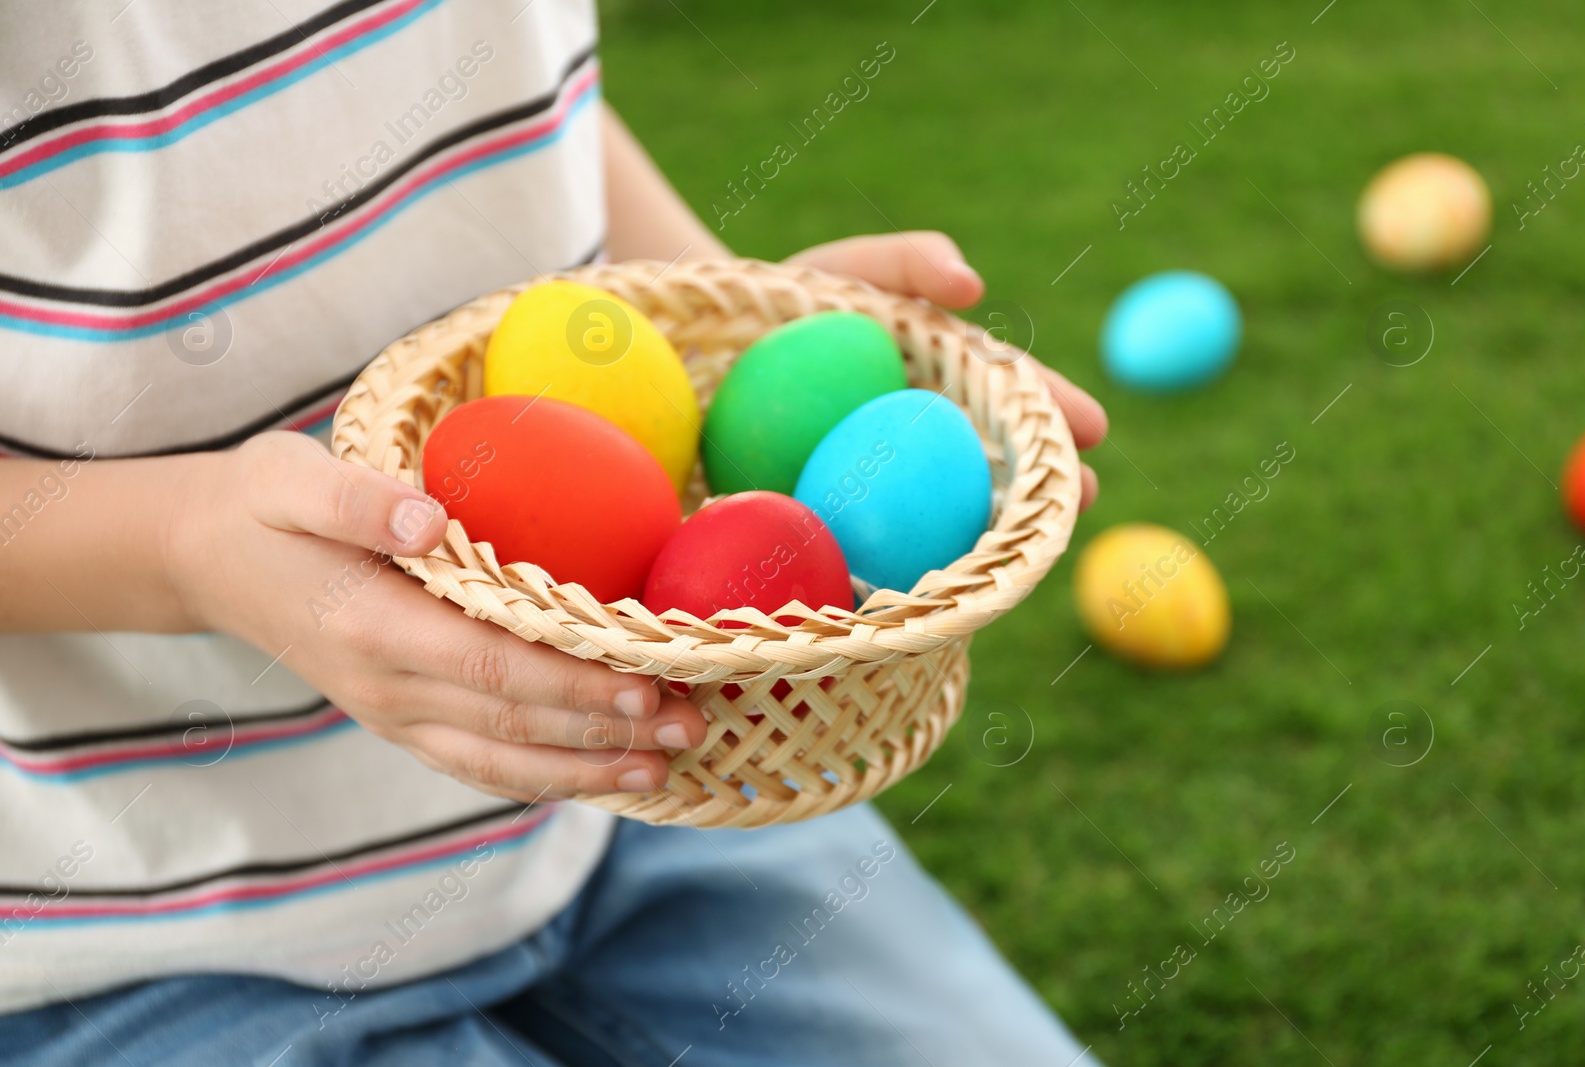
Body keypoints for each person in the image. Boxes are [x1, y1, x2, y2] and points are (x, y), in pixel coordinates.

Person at [0, 2, 1107, 1063]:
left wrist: (731, 346)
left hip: (659, 757)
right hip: (155, 911)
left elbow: (511, 67)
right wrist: (185, 544)